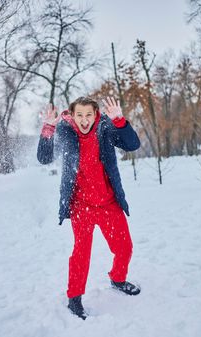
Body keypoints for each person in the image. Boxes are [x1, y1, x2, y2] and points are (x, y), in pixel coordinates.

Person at [37, 96, 141, 320]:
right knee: (81, 254)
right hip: (80, 207)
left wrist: (119, 120)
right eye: (79, 115)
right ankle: (74, 299)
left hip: (109, 203)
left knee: (125, 247)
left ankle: (118, 278)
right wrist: (48, 128)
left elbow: (132, 145)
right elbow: (44, 158)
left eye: (89, 115)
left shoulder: (105, 129)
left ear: (96, 115)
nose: (84, 120)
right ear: (72, 116)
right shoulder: (65, 133)